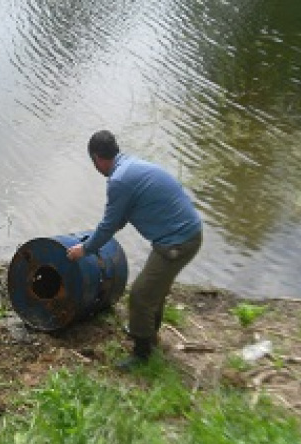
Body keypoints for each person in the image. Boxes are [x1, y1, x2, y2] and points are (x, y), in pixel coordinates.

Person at [67, 130, 202, 371]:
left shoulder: (119, 181)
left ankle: (142, 355)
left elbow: (109, 226)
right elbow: (119, 220)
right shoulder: (129, 165)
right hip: (186, 233)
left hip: (177, 242)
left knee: (140, 295)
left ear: (97, 158)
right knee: (154, 290)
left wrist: (84, 249)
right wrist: (95, 239)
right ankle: (148, 333)